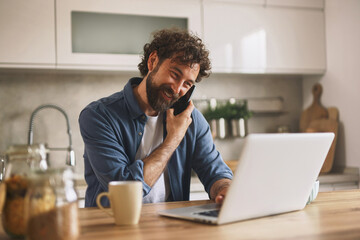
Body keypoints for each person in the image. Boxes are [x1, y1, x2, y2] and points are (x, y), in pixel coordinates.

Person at [79, 28, 233, 207]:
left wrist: (224, 188)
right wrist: (173, 139)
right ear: (153, 61)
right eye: (175, 75)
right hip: (113, 227)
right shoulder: (99, 116)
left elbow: (215, 172)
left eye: (187, 84)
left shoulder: (191, 120)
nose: (177, 90)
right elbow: (127, 188)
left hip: (173, 227)